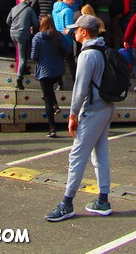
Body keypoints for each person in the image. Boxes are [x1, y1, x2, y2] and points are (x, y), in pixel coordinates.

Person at [45, 15, 115, 221]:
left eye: (76, 29)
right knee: (100, 154)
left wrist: (73, 113)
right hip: (106, 106)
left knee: (77, 156)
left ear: (84, 32)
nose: (74, 32)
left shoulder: (86, 55)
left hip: (92, 110)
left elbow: (80, 88)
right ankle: (103, 200)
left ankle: (67, 203)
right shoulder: (102, 49)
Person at [31, 15, 68, 137]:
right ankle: (55, 105)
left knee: (47, 97)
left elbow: (34, 56)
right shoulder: (58, 36)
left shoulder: (37, 37)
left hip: (44, 70)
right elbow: (67, 49)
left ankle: (52, 128)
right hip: (57, 69)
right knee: (50, 90)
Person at [7, 0, 39, 90]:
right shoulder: (29, 9)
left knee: (23, 52)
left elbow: (8, 21)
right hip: (23, 34)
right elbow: (36, 24)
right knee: (22, 57)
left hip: (13, 34)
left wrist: (15, 27)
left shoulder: (14, 8)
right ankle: (19, 79)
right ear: (28, 0)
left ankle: (24, 68)